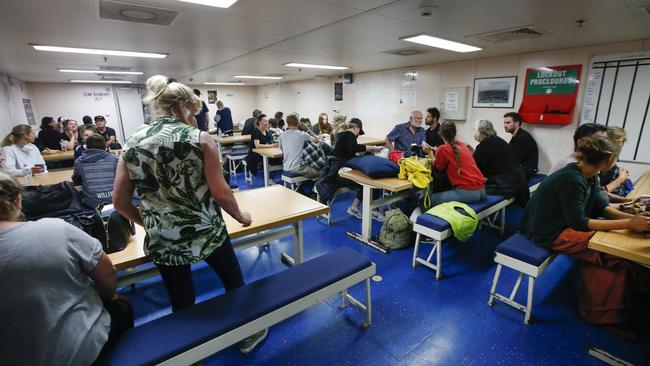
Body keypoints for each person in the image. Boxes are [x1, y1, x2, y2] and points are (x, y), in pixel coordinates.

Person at [113, 75, 266, 353]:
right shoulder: (199, 138)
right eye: (193, 111)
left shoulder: (131, 143)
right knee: (233, 283)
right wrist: (241, 216)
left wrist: (149, 221)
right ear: (183, 105)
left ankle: (189, 354)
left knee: (181, 298)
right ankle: (247, 333)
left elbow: (119, 201)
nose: (195, 117)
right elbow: (220, 193)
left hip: (164, 238)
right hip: (206, 231)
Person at [0, 172, 133, 365]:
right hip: (78, 350)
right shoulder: (56, 230)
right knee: (120, 307)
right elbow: (107, 275)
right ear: (19, 201)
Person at [519, 136, 650, 331]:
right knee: (610, 252)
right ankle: (600, 314)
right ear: (609, 159)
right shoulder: (571, 179)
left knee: (610, 251)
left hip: (563, 225)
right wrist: (630, 222)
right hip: (548, 231)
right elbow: (579, 223)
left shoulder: (591, 175)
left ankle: (608, 306)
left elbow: (602, 206)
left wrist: (632, 221)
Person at [413, 121, 485, 218]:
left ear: (440, 134)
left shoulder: (443, 149)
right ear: (455, 133)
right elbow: (450, 152)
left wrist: (430, 153)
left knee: (426, 200)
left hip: (468, 192)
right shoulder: (462, 145)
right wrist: (436, 150)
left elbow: (438, 167)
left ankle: (429, 225)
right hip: (481, 190)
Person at [315, 118, 383, 220]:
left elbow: (350, 150)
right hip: (339, 175)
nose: (357, 135)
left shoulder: (342, 136)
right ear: (356, 128)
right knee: (368, 183)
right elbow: (353, 148)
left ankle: (356, 207)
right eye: (359, 132)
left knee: (365, 181)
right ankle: (366, 209)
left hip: (335, 172)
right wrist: (372, 148)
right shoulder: (349, 134)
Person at [472, 120, 528, 203]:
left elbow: (476, 170)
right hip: (519, 180)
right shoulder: (500, 141)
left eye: (474, 131)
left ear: (480, 132)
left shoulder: (483, 146)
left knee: (471, 188)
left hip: (505, 184)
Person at [72, 133, 119, 209]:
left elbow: (75, 180)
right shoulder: (114, 160)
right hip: (115, 201)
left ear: (86, 147)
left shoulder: (79, 162)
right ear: (105, 147)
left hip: (92, 204)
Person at [278, 113, 322, 179]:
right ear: (298, 122)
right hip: (298, 168)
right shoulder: (302, 134)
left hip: (286, 167)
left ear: (287, 122)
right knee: (321, 172)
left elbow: (282, 150)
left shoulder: (282, 135)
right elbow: (317, 140)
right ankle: (313, 187)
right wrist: (307, 128)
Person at [599, 127, 633, 203]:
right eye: (614, 141)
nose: (617, 145)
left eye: (620, 142)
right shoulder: (596, 165)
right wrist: (620, 179)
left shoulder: (615, 169)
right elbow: (598, 193)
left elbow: (605, 195)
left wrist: (628, 201)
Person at [503, 112, 538, 179]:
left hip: (526, 172)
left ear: (517, 123)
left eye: (508, 123)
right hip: (520, 169)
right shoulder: (517, 136)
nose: (505, 126)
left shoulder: (522, 137)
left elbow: (513, 159)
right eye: (504, 123)